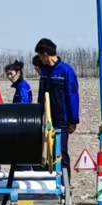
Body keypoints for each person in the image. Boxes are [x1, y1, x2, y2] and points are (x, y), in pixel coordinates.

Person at [34, 39, 80, 169]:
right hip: (47, 120)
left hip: (62, 121)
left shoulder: (66, 71)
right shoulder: (44, 72)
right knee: (47, 154)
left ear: (45, 55)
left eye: (39, 55)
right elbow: (41, 96)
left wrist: (73, 120)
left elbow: (73, 95)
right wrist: (38, 117)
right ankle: (49, 179)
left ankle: (64, 180)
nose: (39, 59)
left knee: (60, 153)